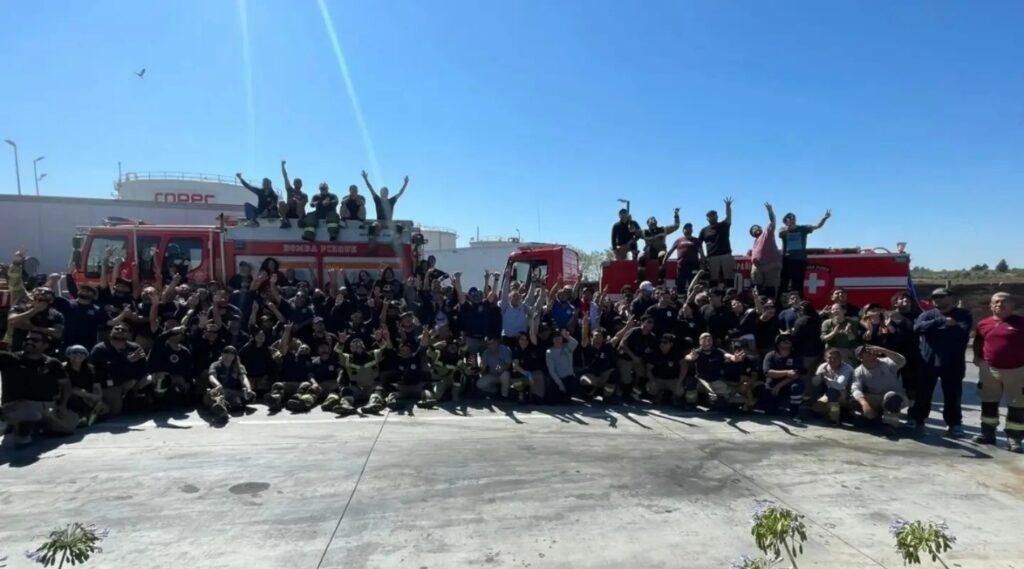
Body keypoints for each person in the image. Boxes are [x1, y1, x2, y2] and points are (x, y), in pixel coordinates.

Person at [912, 287, 972, 438]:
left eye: (941, 296)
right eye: (934, 297)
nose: (937, 299)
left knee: (953, 395)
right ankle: (918, 420)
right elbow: (917, 328)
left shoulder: (963, 315)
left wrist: (933, 328)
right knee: (923, 394)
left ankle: (954, 424)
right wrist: (942, 321)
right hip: (928, 362)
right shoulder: (926, 314)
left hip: (953, 363)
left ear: (951, 298)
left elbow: (961, 332)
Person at [0, 332, 78, 445]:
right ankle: (19, 428)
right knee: (32, 416)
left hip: (48, 406)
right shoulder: (9, 358)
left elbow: (66, 385)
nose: (29, 342)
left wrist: (63, 405)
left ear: (45, 345)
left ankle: (38, 426)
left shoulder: (52, 363)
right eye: (27, 339)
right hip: (20, 405)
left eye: (35, 340)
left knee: (69, 427)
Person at [972, 292, 1024, 452]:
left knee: (1017, 405)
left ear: (1012, 305)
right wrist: (977, 357)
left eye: (1004, 302)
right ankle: (987, 433)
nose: (1000, 304)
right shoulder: (983, 324)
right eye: (996, 302)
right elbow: (978, 342)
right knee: (988, 401)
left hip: (1017, 370)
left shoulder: (1021, 323)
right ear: (991, 306)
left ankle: (1014, 438)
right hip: (989, 369)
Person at [90, 323, 150, 415]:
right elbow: (101, 371)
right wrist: (127, 361)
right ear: (110, 333)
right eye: (117, 329)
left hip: (131, 380)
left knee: (150, 379)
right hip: (110, 384)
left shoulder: (134, 348)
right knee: (115, 411)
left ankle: (136, 398)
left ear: (129, 334)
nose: (120, 331)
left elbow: (143, 368)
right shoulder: (100, 349)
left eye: (124, 330)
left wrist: (133, 380)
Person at [851, 344, 909, 439]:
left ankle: (889, 426)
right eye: (868, 355)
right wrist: (864, 404)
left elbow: (902, 361)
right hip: (876, 398)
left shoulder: (887, 362)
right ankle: (873, 418)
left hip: (895, 397)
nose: (872, 356)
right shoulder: (858, 371)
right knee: (854, 400)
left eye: (873, 353)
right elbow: (855, 388)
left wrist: (885, 350)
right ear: (860, 358)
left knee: (891, 398)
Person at [778, 209, 831, 295]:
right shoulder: (782, 229)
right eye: (789, 218)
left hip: (800, 260)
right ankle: (782, 301)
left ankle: (798, 300)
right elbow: (782, 234)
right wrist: (789, 227)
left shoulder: (803, 229)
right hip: (787, 260)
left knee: (798, 283)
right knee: (784, 282)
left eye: (793, 217)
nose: (792, 219)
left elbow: (817, 226)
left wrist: (824, 218)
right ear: (785, 221)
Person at [205, 346, 255, 420]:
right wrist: (218, 385)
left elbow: (243, 378)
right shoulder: (215, 365)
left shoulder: (239, 366)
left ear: (234, 356)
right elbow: (212, 377)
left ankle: (225, 408)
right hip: (220, 391)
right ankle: (220, 408)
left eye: (231, 354)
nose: (229, 356)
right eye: (226, 353)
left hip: (234, 391)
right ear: (222, 354)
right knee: (214, 397)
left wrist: (248, 388)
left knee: (247, 396)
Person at [811, 348, 855, 424]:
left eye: (836, 358)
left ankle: (834, 416)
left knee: (833, 392)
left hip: (846, 395)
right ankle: (840, 411)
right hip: (829, 393)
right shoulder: (823, 366)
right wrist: (820, 376)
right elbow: (814, 383)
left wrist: (826, 377)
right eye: (830, 357)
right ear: (825, 358)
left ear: (840, 358)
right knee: (817, 408)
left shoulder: (846, 369)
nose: (833, 360)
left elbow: (839, 386)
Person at [699, 197, 735, 287]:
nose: (711, 217)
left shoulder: (724, 225)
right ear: (707, 219)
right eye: (709, 216)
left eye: (713, 215)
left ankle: (730, 294)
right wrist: (702, 256)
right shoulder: (704, 230)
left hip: (726, 255)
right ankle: (713, 294)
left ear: (717, 216)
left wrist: (728, 206)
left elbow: (728, 217)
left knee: (729, 278)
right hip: (712, 257)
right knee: (713, 279)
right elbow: (699, 244)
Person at [749, 203, 782, 300]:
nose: (755, 229)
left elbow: (772, 221)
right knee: (758, 288)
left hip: (770, 265)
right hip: (758, 268)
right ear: (752, 234)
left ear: (761, 228)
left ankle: (770, 304)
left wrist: (770, 211)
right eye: (753, 229)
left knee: (770, 288)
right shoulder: (755, 242)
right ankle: (760, 303)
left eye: (756, 227)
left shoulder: (767, 232)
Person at [640, 209, 681, 281]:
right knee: (641, 257)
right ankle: (641, 277)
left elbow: (676, 226)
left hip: (660, 251)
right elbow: (633, 231)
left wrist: (676, 215)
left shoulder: (663, 229)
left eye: (654, 220)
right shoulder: (644, 232)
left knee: (662, 256)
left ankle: (661, 278)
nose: (653, 221)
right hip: (649, 252)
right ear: (647, 224)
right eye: (651, 220)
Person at [644, 333, 686, 403]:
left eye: (665, 342)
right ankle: (659, 394)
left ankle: (673, 396)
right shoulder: (655, 353)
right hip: (658, 379)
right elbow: (649, 369)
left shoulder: (677, 354)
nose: (662, 344)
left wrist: (679, 382)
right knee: (650, 388)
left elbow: (684, 367)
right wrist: (652, 380)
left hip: (672, 380)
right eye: (661, 342)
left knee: (680, 391)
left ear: (671, 344)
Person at [667, 223, 704, 294]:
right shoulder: (678, 240)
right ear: (683, 230)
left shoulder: (696, 240)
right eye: (686, 228)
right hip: (681, 266)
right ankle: (681, 297)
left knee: (693, 284)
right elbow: (670, 251)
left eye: (690, 228)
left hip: (694, 266)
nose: (688, 229)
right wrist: (664, 260)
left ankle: (692, 298)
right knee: (680, 284)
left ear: (692, 230)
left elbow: (701, 253)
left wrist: (703, 263)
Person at [545, 329, 579, 403]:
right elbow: (552, 371)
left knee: (567, 401)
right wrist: (560, 384)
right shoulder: (549, 352)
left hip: (569, 378)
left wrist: (567, 336)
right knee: (553, 401)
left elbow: (575, 343)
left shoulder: (568, 346)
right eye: (555, 338)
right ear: (552, 339)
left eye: (559, 337)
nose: (557, 340)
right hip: (557, 379)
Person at [278, 160, 309, 228]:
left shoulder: (304, 195)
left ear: (301, 184)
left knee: (300, 204)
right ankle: (285, 221)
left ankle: (300, 221)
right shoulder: (290, 190)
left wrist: (295, 200)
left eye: (299, 182)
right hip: (289, 211)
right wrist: (282, 166)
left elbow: (303, 204)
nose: (298, 183)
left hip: (298, 213)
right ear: (293, 183)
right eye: (296, 182)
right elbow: (285, 177)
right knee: (281, 202)